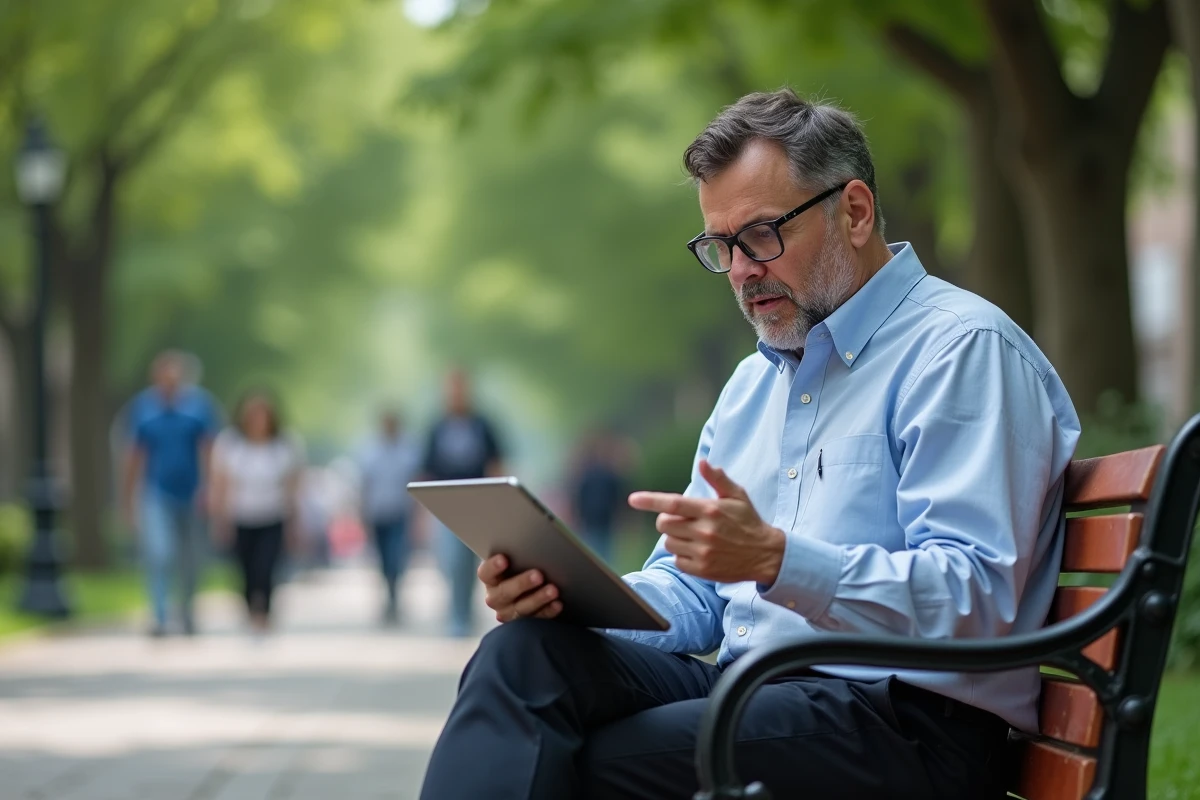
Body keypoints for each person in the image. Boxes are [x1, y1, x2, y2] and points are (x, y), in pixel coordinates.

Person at [420, 89, 1081, 800]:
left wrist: (777, 559)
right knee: (521, 658)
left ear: (854, 212)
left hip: (906, 721)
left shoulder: (960, 351)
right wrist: (566, 598)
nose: (740, 270)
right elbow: (693, 593)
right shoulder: (751, 385)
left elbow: (978, 596)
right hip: (758, 690)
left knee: (587, 762)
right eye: (720, 246)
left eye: (761, 235)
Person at [122, 350, 221, 637]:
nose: (169, 382)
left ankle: (188, 612)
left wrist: (210, 487)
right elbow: (134, 455)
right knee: (159, 553)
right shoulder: (143, 408)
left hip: (192, 493)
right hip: (156, 493)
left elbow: (208, 449)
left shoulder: (200, 406)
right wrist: (128, 499)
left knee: (191, 558)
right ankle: (160, 615)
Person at [209, 390, 305, 634]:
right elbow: (221, 482)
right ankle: (250, 607)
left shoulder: (285, 444)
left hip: (273, 515)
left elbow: (293, 485)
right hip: (240, 515)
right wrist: (219, 518)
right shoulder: (230, 444)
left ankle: (266, 611)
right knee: (245, 567)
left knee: (266, 566)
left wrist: (295, 521)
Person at [421, 369, 505, 637]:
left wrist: (498, 501)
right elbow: (426, 470)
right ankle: (455, 611)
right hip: (446, 503)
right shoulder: (437, 427)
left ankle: (463, 615)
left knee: (468, 562)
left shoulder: (482, 425)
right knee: (449, 560)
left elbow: (495, 463)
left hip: (477, 502)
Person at [357, 409, 422, 623]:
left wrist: (418, 515)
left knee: (397, 556)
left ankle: (395, 594)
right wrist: (362, 513)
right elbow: (365, 484)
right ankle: (388, 593)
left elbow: (416, 483)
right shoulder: (370, 451)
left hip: (400, 513)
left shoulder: (408, 451)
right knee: (383, 559)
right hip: (378, 514)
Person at [570, 431, 629, 564]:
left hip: (600, 522)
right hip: (594, 521)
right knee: (600, 553)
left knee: (599, 553)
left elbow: (617, 498)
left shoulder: (597, 475)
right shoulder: (601, 475)